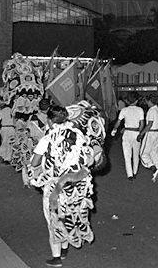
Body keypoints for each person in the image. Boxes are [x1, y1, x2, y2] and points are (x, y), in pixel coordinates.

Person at [28, 105, 102, 267]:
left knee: (53, 218)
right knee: (68, 214)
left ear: (49, 120)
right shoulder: (78, 135)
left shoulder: (47, 139)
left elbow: (34, 162)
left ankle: (57, 257)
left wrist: (34, 174)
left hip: (55, 187)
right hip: (75, 187)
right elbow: (90, 157)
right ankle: (65, 247)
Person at [110, 93, 144, 180]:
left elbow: (118, 122)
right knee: (136, 154)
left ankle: (130, 175)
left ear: (127, 101)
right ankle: (135, 172)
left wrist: (114, 130)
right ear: (136, 101)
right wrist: (140, 134)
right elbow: (142, 124)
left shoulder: (124, 110)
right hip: (136, 132)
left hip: (127, 133)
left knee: (127, 155)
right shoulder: (140, 110)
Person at [138, 95, 158, 183]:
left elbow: (149, 125)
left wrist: (141, 134)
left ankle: (153, 168)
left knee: (143, 154)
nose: (146, 103)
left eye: (146, 101)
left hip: (151, 133)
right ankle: (157, 173)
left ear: (150, 101)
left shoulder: (151, 111)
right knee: (155, 153)